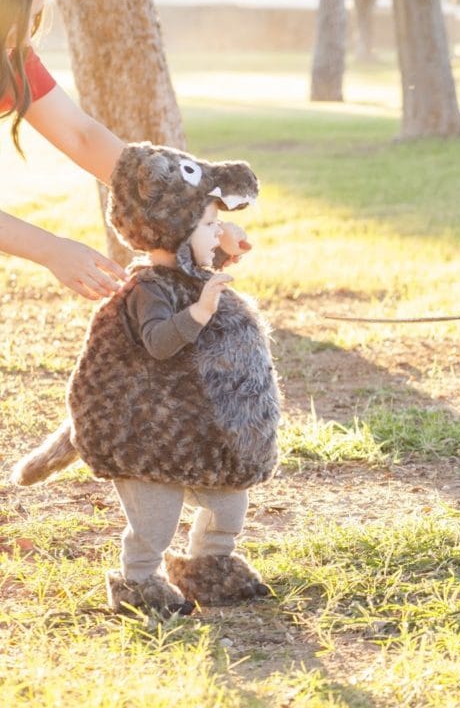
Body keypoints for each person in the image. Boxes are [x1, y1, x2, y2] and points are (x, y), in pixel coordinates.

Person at [10, 142, 280, 616]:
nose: (218, 231)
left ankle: (208, 564)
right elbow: (158, 342)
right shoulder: (148, 288)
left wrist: (222, 243)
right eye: (209, 225)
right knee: (155, 519)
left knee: (228, 506)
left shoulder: (191, 270)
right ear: (177, 234)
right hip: (147, 433)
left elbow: (198, 264)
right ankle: (138, 580)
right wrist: (200, 311)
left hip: (201, 436)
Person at [0, 0, 247, 299]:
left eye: (35, 20)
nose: (27, 39)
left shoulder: (13, 59)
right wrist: (51, 249)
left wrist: (199, 215)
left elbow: (82, 136)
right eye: (19, 20)